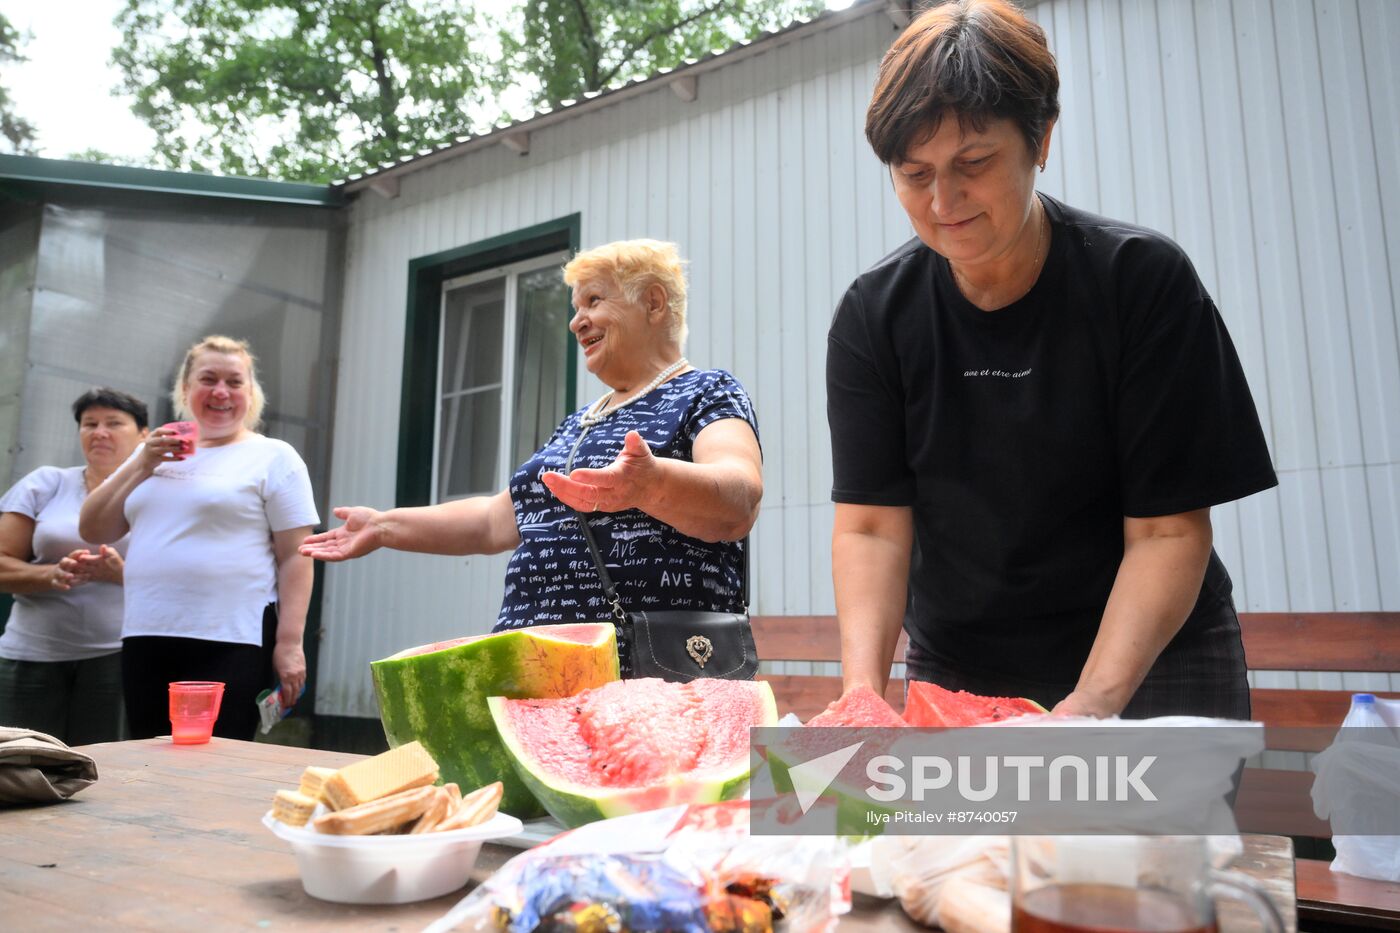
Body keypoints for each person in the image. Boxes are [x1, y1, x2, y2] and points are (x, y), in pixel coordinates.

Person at [828, 0, 1278, 719]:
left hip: (1158, 660)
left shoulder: (1142, 282)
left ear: (1042, 139)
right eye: (915, 175)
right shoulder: (873, 316)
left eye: (973, 164)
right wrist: (860, 696)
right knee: (957, 838)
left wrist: (1091, 703)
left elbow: (1167, 530)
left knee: (1152, 838)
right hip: (961, 667)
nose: (944, 201)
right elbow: (873, 524)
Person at [301, 240, 763, 665]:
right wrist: (384, 526)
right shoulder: (581, 420)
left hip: (643, 671)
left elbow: (739, 497)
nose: (576, 320)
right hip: (532, 662)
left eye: (594, 301)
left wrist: (652, 484)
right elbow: (493, 521)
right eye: (575, 306)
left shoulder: (707, 391)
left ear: (654, 303)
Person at [79, 336, 318, 739]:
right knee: (149, 752)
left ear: (250, 393)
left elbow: (296, 554)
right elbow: (94, 529)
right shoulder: (149, 454)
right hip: (147, 629)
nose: (221, 392)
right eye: (208, 379)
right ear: (186, 390)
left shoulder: (274, 456)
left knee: (216, 757)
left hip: (232, 635)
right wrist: (142, 465)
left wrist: (290, 643)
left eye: (234, 382)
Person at [0, 388, 150, 743]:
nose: (100, 432)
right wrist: (52, 574)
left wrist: (121, 574)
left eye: (114, 423)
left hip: (118, 657)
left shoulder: (158, 493)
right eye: (89, 423)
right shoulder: (46, 483)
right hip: (30, 655)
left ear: (145, 434)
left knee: (106, 775)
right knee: (21, 770)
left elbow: (184, 582)